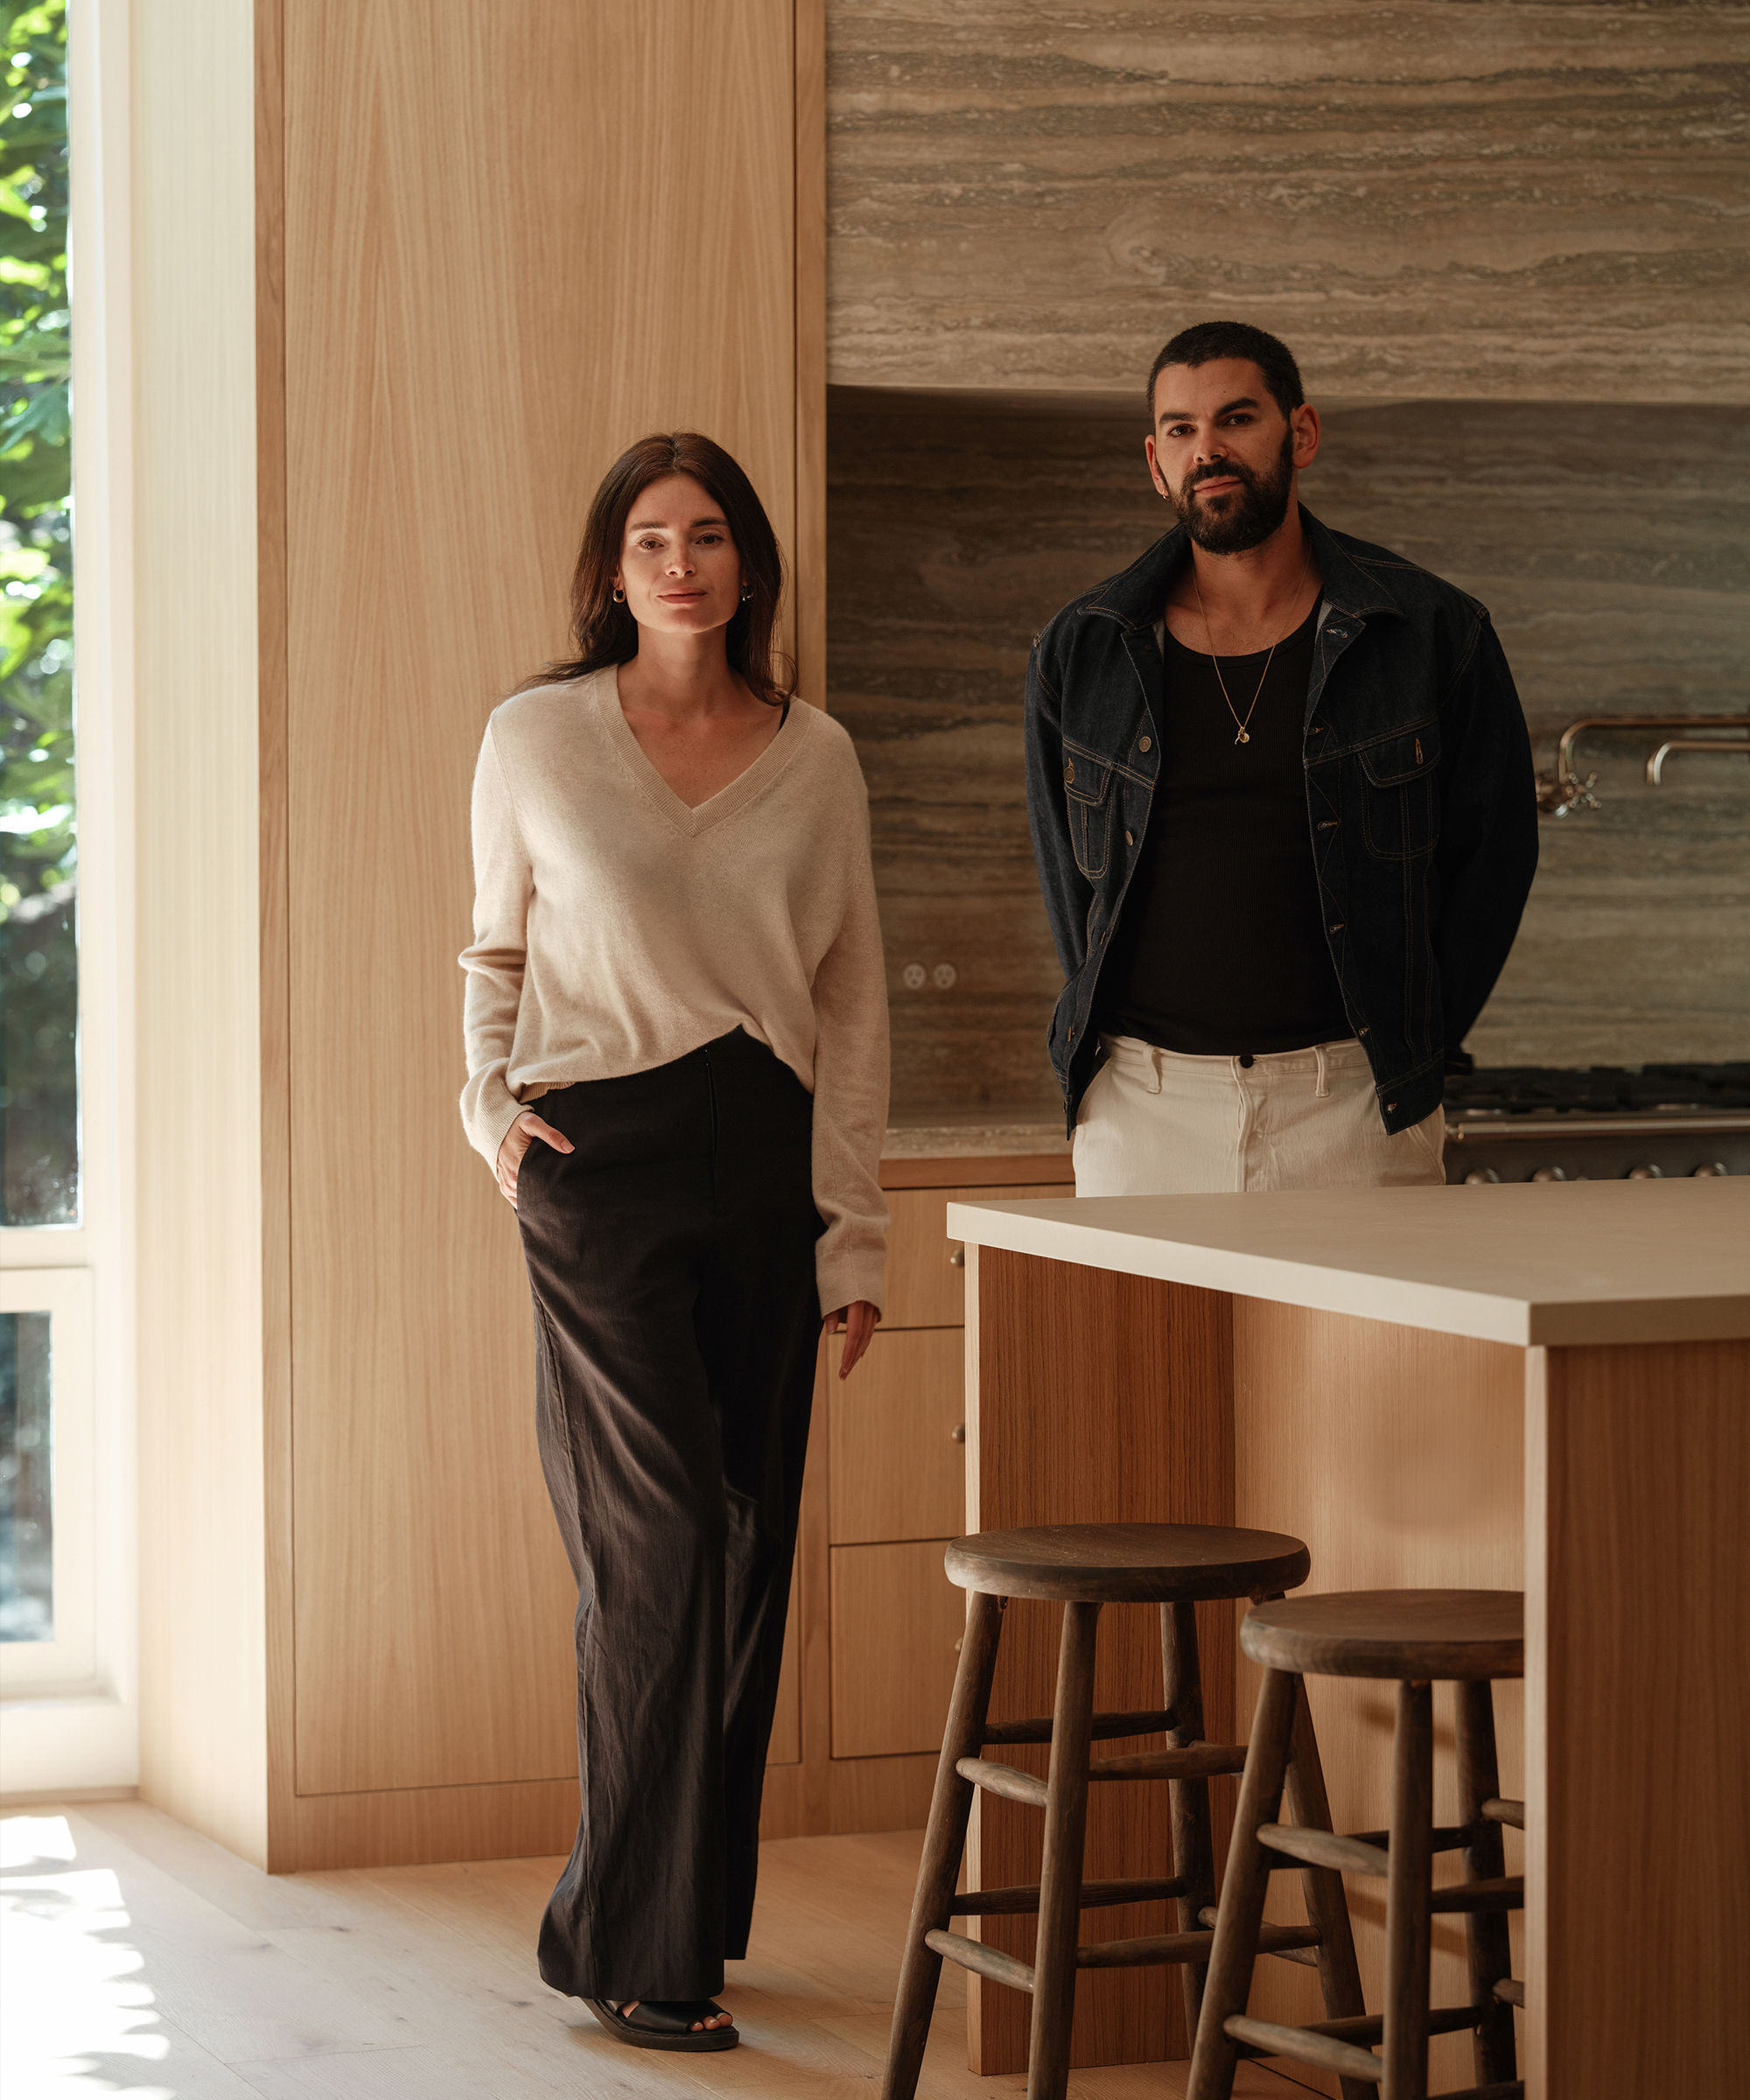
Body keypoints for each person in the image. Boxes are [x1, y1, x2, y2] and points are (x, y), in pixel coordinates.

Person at [459, 432, 888, 2053]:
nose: (681, 563)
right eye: (650, 538)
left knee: (749, 1538)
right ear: (612, 567)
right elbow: (492, 948)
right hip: (600, 1162)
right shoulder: (538, 738)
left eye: (708, 536)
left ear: (749, 565)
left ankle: (678, 1915)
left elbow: (848, 1010)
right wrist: (489, 1114)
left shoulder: (818, 757)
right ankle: (644, 1953)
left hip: (765, 1163)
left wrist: (858, 1238)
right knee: (661, 1549)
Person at [1025, 319, 1538, 1194]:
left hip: (1351, 1108)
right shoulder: (1080, 650)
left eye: (1235, 419)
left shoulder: (1429, 632)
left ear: (1298, 432)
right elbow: (1067, 886)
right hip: (1140, 1113)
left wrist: (1408, 1043)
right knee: (1144, 1342)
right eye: (1181, 431)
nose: (1207, 450)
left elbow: (1492, 864)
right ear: (1154, 461)